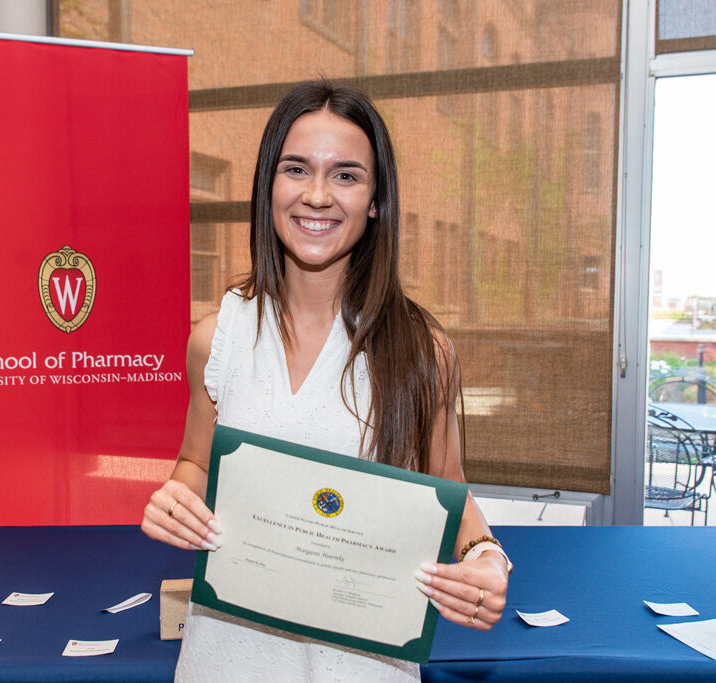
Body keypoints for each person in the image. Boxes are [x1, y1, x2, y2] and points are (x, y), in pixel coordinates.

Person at [141, 80, 511, 681]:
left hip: (364, 666)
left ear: (375, 200)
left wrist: (487, 559)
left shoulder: (421, 352)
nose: (317, 195)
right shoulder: (219, 336)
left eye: (345, 175)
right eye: (296, 169)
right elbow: (195, 463)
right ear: (268, 188)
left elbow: (449, 488)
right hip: (228, 659)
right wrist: (175, 498)